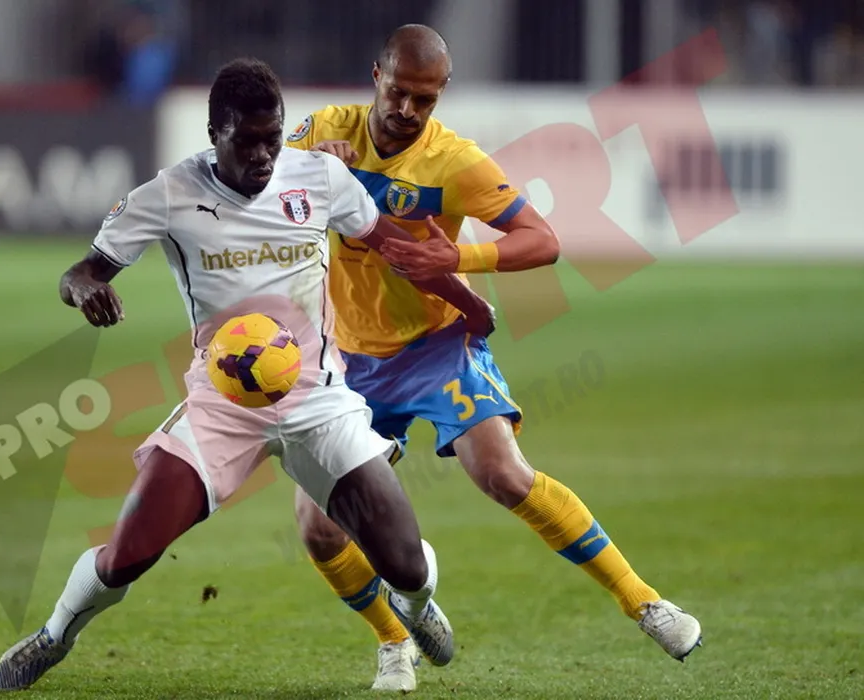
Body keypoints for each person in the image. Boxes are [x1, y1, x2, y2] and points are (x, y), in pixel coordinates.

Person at [0, 56, 499, 692]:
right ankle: (54, 635)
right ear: (215, 134)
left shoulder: (319, 177)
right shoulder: (168, 194)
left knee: (406, 567)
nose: (263, 155)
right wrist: (86, 290)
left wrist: (468, 302)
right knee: (125, 557)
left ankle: (417, 610)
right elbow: (81, 271)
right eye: (247, 141)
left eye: (273, 137)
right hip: (222, 404)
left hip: (317, 401)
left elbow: (396, 247)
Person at [284, 24, 703, 692]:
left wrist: (458, 255)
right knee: (316, 527)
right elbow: (256, 188)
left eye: (425, 99)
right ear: (376, 76)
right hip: (346, 361)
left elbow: (543, 240)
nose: (408, 110)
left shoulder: (454, 162)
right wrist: (303, 169)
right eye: (399, 92)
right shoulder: (322, 132)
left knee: (504, 474)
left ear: (441, 94)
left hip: (435, 345)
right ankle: (395, 640)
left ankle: (645, 602)